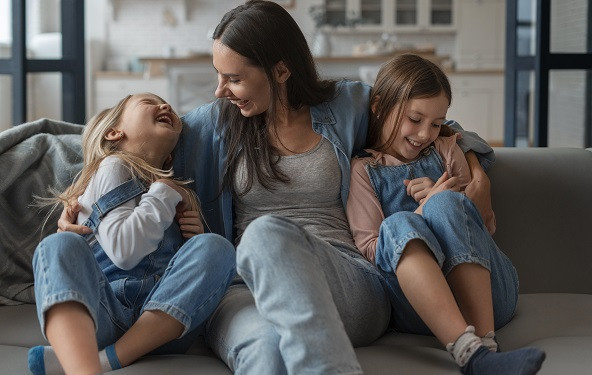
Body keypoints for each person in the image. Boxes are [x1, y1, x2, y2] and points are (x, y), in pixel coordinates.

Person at [59, 2, 498, 373]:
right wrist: (82, 202)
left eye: (233, 77)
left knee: (266, 235)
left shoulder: (345, 106)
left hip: (347, 280)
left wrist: (476, 174)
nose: (220, 90)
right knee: (265, 350)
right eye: (218, 75)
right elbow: (127, 150)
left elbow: (438, 124)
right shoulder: (211, 126)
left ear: (281, 70)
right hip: (240, 289)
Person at [346, 54, 546, 374]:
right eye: (415, 119)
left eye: (436, 124)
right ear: (379, 104)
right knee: (397, 224)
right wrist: (420, 213)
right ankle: (473, 356)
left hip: (493, 297)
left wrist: (447, 200)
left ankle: (486, 347)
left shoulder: (446, 149)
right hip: (420, 310)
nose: (425, 133)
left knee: (447, 204)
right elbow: (371, 250)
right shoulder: (363, 171)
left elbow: (479, 225)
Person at [28, 93, 236, 375]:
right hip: (106, 314)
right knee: (56, 246)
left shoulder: (176, 194)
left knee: (215, 246)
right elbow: (125, 250)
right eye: (148, 101)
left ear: (171, 155)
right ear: (114, 132)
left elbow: (186, 272)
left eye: (166, 103)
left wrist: (192, 240)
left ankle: (103, 359)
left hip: (165, 323)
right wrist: (163, 192)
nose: (165, 105)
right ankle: (88, 365)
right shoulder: (114, 166)